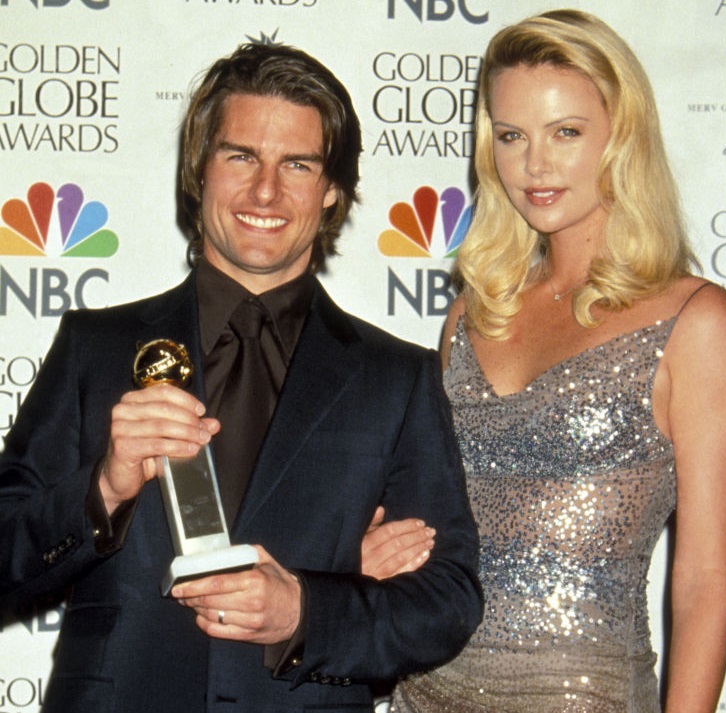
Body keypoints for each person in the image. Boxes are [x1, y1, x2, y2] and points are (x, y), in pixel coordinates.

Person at [0, 43, 483, 713]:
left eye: (297, 164)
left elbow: (448, 599)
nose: (265, 191)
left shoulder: (395, 378)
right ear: (199, 172)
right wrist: (103, 488)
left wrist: (307, 608)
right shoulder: (95, 349)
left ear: (333, 188)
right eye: (240, 156)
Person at [362, 9, 726, 712]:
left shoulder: (696, 323)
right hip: (426, 694)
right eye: (511, 136)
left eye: (565, 132)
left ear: (620, 138)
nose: (534, 164)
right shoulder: (472, 313)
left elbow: (705, 575)